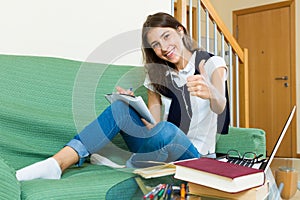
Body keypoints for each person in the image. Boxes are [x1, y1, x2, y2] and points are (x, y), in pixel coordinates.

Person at [15, 12, 228, 181]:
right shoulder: (157, 74)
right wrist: (133, 106)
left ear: (180, 31)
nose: (163, 48)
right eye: (155, 45)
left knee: (168, 132)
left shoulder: (210, 63)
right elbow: (153, 128)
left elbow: (221, 106)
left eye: (166, 36)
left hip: (194, 155)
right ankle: (57, 164)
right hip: (160, 144)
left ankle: (127, 163)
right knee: (121, 110)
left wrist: (212, 93)